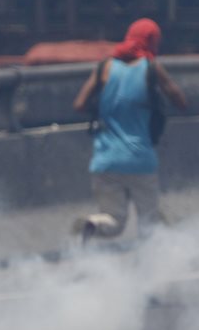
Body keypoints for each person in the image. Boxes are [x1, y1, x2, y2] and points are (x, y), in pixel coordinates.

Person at [71, 18, 188, 242]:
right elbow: (180, 101)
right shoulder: (152, 68)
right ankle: (148, 270)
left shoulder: (105, 66)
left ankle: (92, 224)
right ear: (151, 41)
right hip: (140, 159)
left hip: (105, 159)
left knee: (113, 220)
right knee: (149, 223)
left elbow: (79, 104)